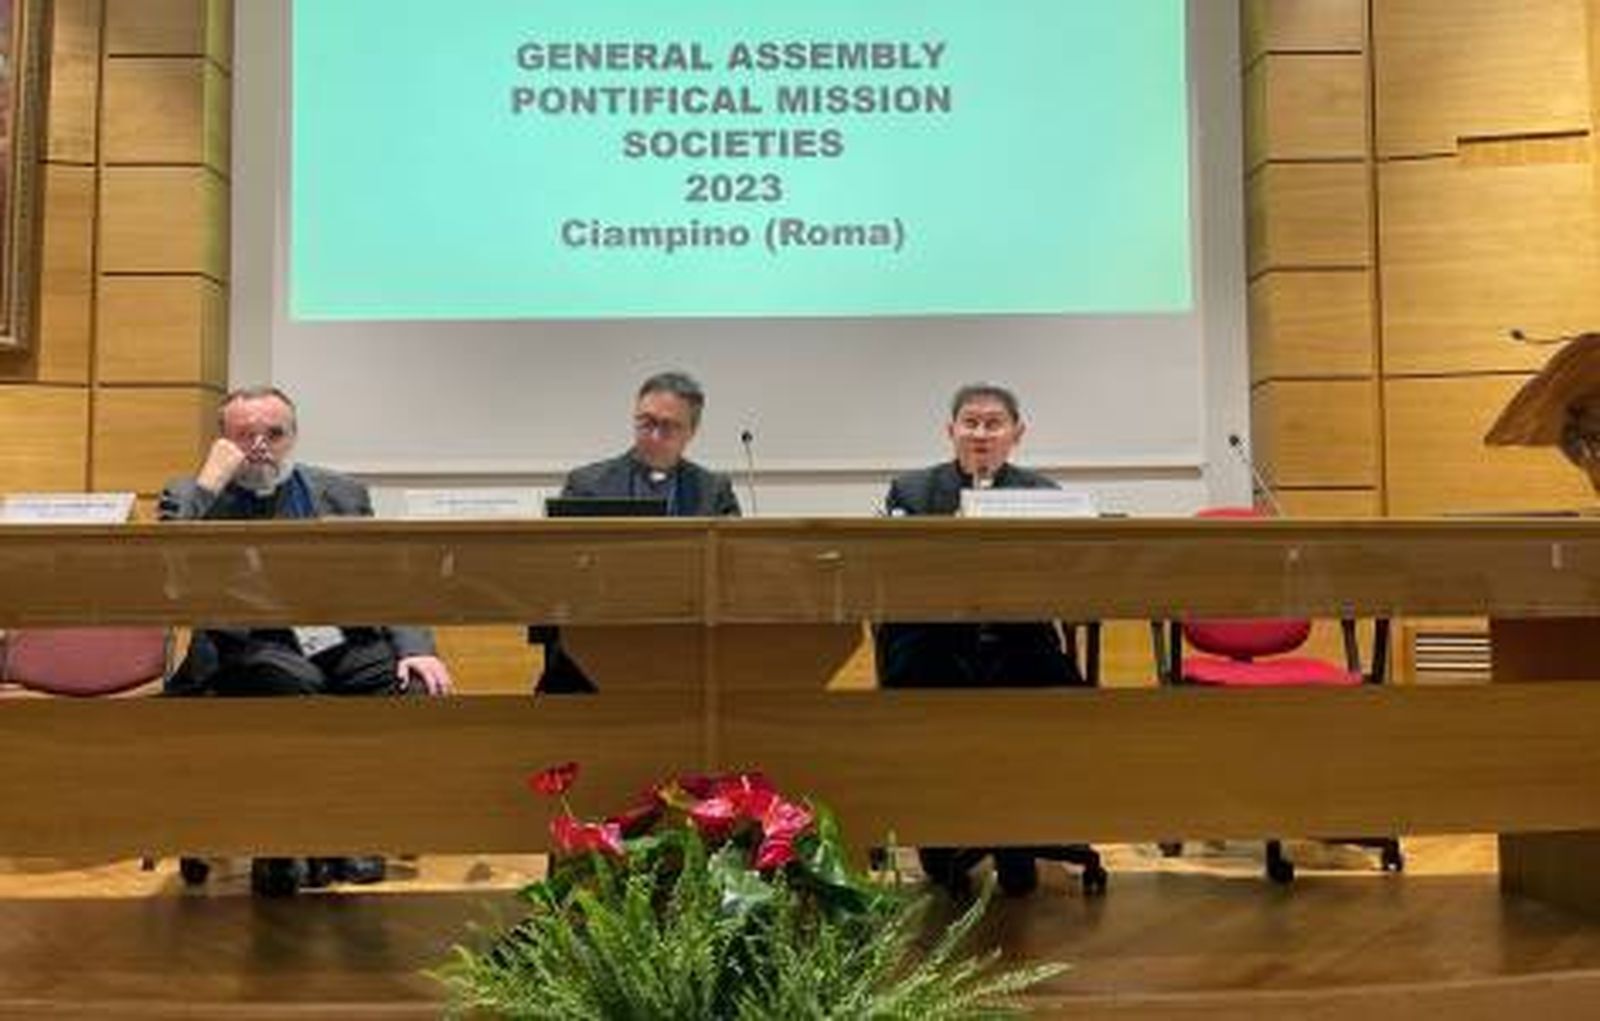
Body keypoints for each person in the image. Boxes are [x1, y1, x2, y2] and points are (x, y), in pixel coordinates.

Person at [160, 385, 454, 896]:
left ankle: (353, 831)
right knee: (293, 693)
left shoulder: (339, 492)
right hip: (247, 647)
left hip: (336, 637)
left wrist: (416, 648)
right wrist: (210, 480)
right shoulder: (193, 494)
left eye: (273, 433)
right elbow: (166, 568)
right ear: (221, 440)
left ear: (293, 437)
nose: (259, 445)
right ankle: (282, 843)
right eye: (244, 434)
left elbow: (386, 578)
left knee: (409, 688)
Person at [877, 383, 1088, 897]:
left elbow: (1069, 576)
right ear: (950, 431)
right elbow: (894, 574)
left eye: (994, 424)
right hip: (935, 643)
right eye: (970, 423)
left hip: (1017, 641)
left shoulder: (1045, 496)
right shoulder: (911, 491)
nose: (981, 434)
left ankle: (1017, 832)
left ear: (1017, 433)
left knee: (1065, 698)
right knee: (926, 696)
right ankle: (941, 830)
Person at [534, 371, 741, 693]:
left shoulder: (713, 491)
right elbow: (559, 571)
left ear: (691, 432)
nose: (654, 435)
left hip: (684, 645)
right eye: (646, 422)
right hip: (595, 647)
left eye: (668, 427)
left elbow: (733, 568)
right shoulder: (588, 484)